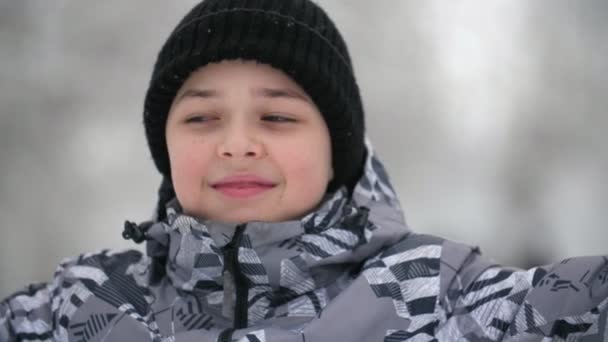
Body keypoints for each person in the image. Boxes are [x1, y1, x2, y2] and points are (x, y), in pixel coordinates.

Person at [1, 0, 607, 341]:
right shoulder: (77, 307)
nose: (237, 144)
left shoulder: (439, 298)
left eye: (278, 117)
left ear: (336, 147)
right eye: (202, 119)